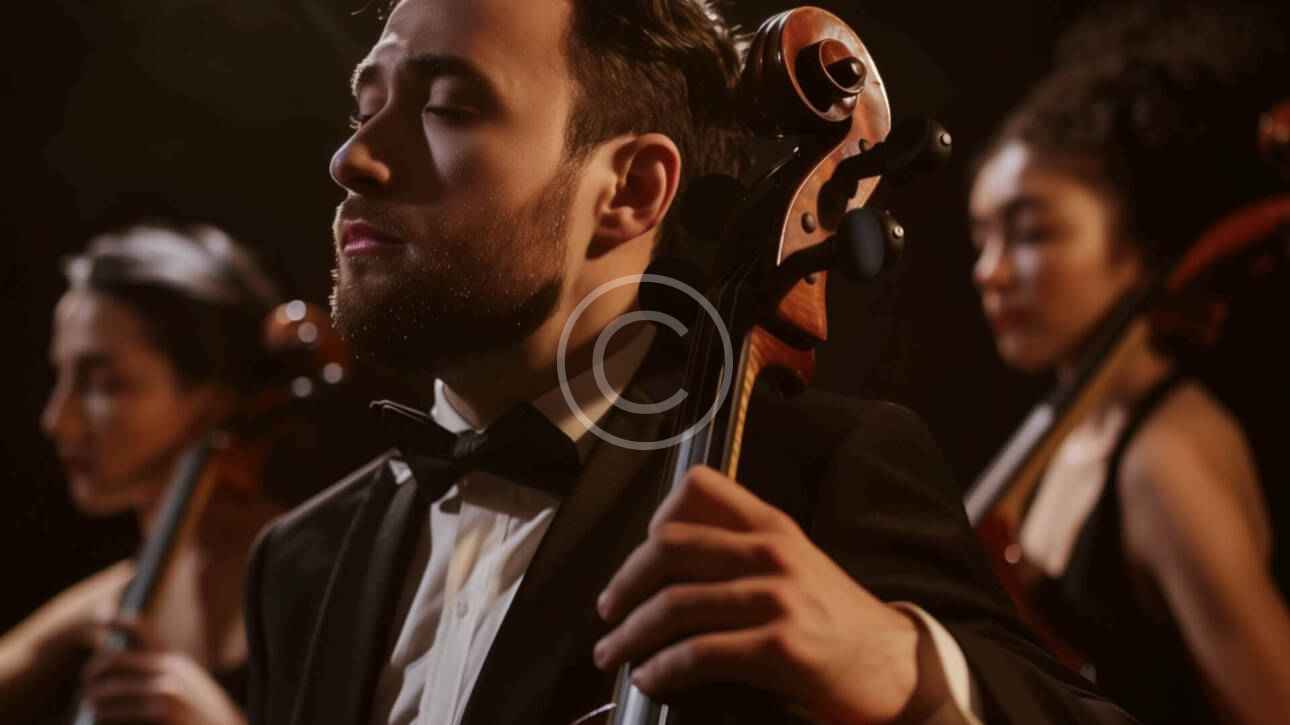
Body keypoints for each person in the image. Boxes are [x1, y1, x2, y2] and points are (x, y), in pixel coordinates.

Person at [244, 2, 1136, 724]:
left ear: (630, 191)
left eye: (448, 107)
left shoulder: (805, 476)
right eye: (365, 108)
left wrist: (897, 664)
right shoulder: (298, 562)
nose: (353, 157)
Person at [968, 3, 1290, 722]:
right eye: (981, 238)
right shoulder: (1079, 433)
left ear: (1138, 248)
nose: (989, 272)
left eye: (1031, 233)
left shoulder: (1165, 457)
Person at [0, 223, 285, 724]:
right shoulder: (115, 598)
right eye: (61, 378)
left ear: (214, 397)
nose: (57, 420)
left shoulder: (315, 577)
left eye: (105, 384)